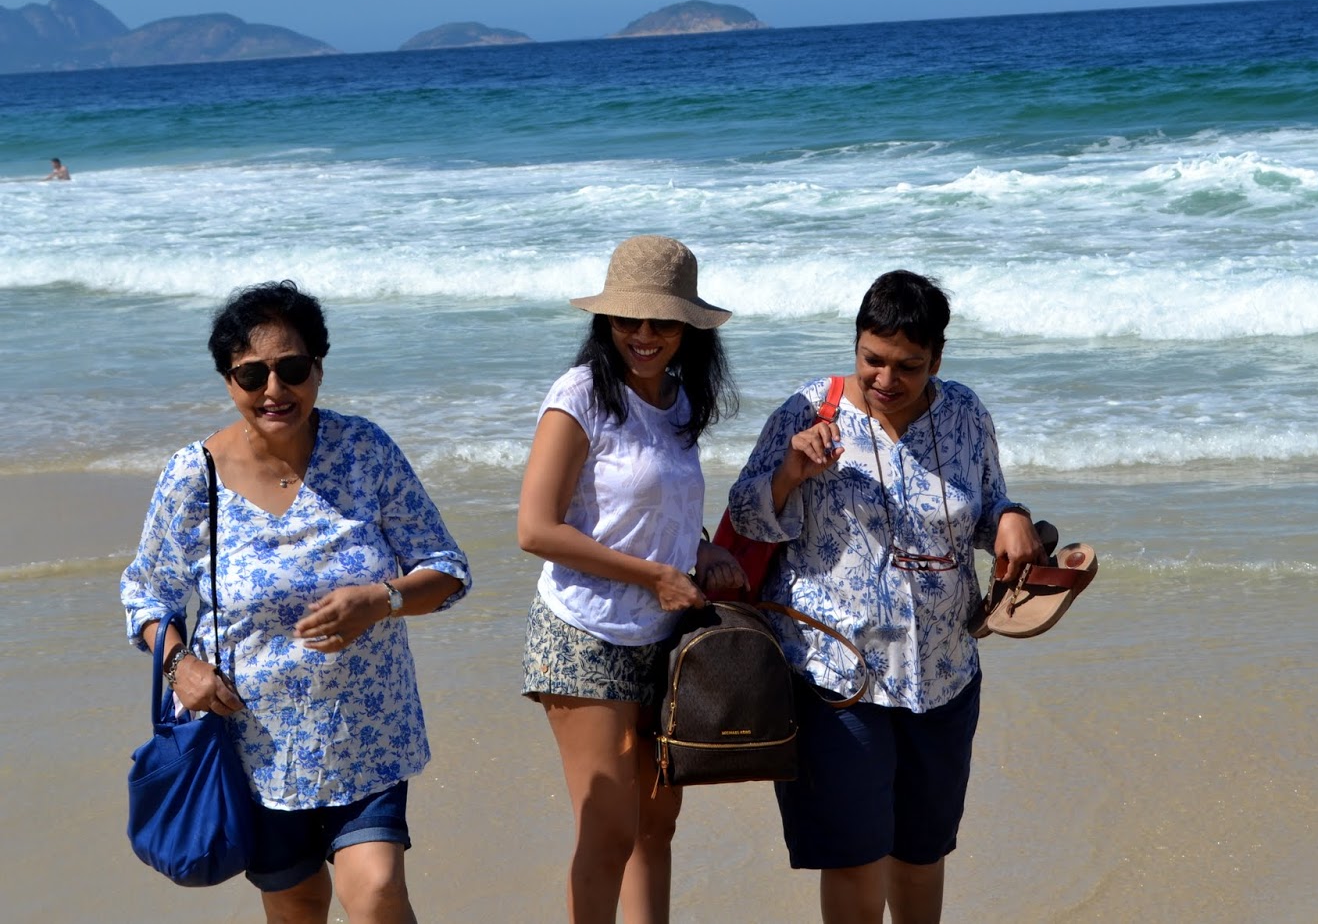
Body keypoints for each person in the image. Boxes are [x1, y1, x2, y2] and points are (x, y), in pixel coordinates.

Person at [121, 280, 470, 924]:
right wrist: (178, 666)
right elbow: (146, 592)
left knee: (377, 891)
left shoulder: (365, 451)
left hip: (369, 733)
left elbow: (445, 569)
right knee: (297, 909)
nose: (274, 389)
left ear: (319, 367)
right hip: (252, 746)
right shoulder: (193, 478)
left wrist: (381, 599)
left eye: (293, 368)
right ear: (229, 380)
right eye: (252, 374)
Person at [727, 269, 1044, 924]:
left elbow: (983, 507)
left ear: (938, 358)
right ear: (855, 343)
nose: (886, 378)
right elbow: (745, 517)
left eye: (909, 366)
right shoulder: (807, 410)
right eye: (872, 358)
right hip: (837, 675)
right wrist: (790, 472)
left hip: (944, 674)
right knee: (854, 857)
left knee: (922, 853)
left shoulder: (963, 412)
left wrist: (1011, 516)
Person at [517, 235, 742, 924]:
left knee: (656, 824)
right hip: (584, 632)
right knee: (610, 830)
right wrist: (655, 574)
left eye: (661, 321)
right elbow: (536, 528)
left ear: (688, 327)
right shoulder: (580, 394)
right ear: (605, 320)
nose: (643, 335)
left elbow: (648, 508)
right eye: (627, 319)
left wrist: (700, 549)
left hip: (662, 636)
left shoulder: (680, 398)